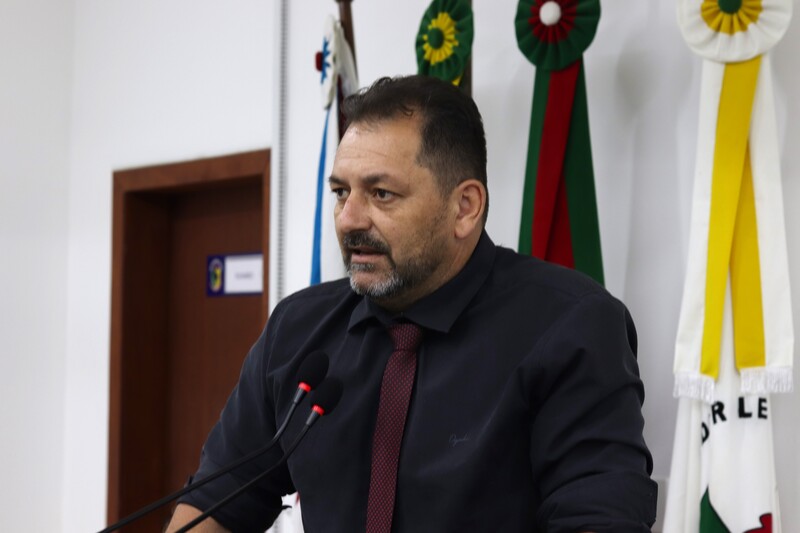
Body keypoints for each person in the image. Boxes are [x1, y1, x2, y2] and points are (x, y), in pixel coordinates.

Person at [167, 75, 657, 532]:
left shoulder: (571, 326)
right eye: (341, 192)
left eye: (381, 194)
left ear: (465, 207)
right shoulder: (298, 330)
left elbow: (597, 519)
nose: (348, 219)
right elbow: (217, 503)